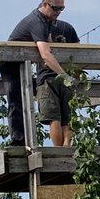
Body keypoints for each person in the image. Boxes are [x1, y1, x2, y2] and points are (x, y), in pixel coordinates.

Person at [1, 0, 75, 148]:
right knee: (16, 101)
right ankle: (18, 141)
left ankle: (23, 140)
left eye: (62, 8)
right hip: (11, 63)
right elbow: (46, 55)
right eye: (56, 8)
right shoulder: (37, 22)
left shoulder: (48, 21)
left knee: (28, 100)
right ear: (45, 4)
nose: (59, 12)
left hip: (24, 62)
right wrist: (65, 76)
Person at [38, 16, 81, 147]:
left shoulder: (40, 27)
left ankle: (58, 149)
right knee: (67, 117)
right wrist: (75, 76)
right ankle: (67, 146)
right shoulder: (68, 27)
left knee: (53, 118)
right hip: (68, 78)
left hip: (47, 77)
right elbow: (79, 52)